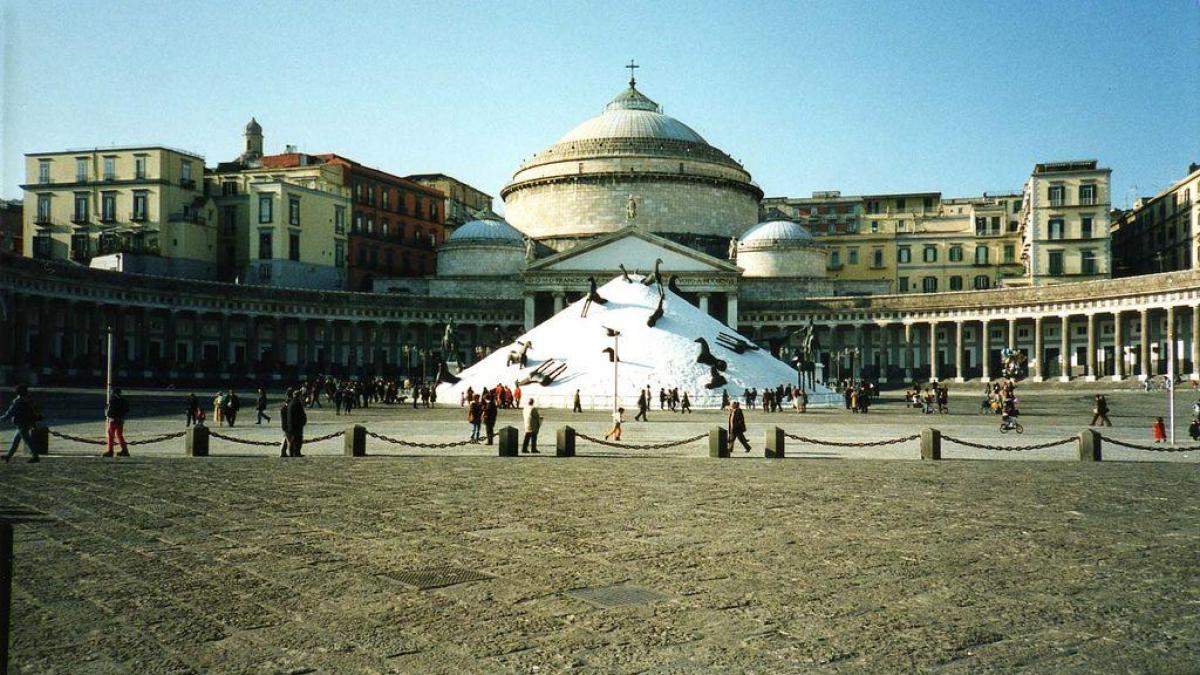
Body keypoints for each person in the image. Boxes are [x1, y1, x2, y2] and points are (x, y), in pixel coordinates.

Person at [1, 384, 40, 463]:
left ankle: (36, 456)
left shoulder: (18, 401)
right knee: (16, 440)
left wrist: (3, 418)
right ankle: (9, 456)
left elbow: (11, 412)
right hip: (27, 422)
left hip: (22, 423)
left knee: (28, 441)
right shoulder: (28, 399)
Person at [103, 387, 130, 457]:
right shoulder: (123, 400)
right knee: (119, 435)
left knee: (110, 435)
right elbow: (127, 409)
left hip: (113, 420)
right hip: (120, 419)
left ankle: (110, 451)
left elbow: (109, 411)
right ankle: (124, 450)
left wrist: (109, 416)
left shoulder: (113, 400)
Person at [285, 388, 307, 457]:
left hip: (292, 425)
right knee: (297, 440)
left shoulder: (291, 403)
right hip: (296, 425)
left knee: (293, 440)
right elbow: (299, 414)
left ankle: (292, 453)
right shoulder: (297, 403)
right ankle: (296, 453)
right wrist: (302, 421)